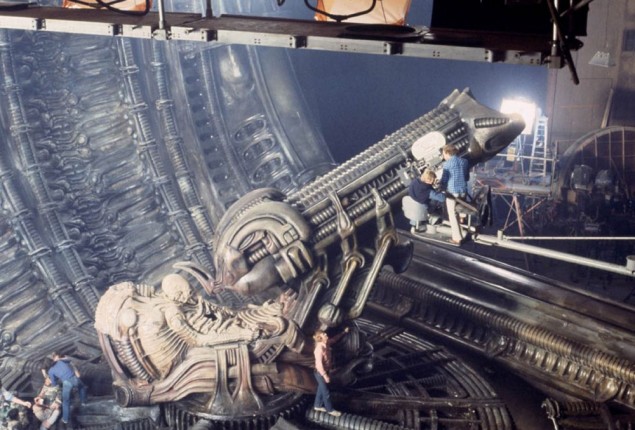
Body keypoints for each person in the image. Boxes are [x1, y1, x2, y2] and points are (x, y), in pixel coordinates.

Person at [313, 327, 349, 417]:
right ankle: (330, 410)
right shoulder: (319, 349)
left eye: (325, 333)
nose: (326, 334)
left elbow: (334, 339)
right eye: (323, 334)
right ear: (320, 338)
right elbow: (319, 365)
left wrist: (344, 332)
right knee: (326, 392)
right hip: (320, 373)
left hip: (325, 371)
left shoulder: (327, 343)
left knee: (321, 389)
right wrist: (325, 376)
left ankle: (317, 405)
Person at [440, 144, 469, 244]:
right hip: (463, 191)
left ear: (447, 153)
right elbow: (467, 177)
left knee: (452, 215)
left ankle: (457, 238)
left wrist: (441, 187)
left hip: (453, 193)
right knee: (461, 209)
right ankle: (462, 218)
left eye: (443, 154)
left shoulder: (447, 164)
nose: (443, 156)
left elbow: (444, 180)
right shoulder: (464, 161)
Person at [47, 352, 87, 426]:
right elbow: (68, 360)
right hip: (74, 378)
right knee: (82, 387)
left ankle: (65, 419)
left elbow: (54, 383)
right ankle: (83, 402)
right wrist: (60, 358)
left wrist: (55, 385)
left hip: (66, 383)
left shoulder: (50, 371)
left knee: (66, 401)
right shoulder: (61, 361)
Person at [404, 169, 445, 233]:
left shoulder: (414, 182)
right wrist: (441, 191)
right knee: (437, 200)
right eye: (433, 180)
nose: (433, 182)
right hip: (424, 209)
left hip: (413, 208)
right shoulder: (427, 191)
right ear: (428, 180)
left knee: (418, 204)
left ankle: (414, 224)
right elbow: (442, 198)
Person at [32, 361, 62, 430]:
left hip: (50, 408)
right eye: (46, 380)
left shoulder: (58, 388)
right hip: (45, 406)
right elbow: (42, 392)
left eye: (47, 380)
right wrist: (39, 397)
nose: (45, 381)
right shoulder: (46, 384)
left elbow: (57, 403)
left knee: (57, 411)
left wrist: (56, 404)